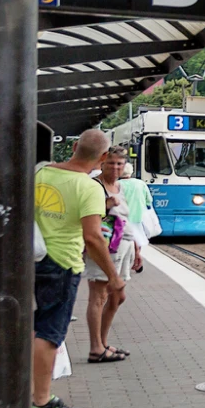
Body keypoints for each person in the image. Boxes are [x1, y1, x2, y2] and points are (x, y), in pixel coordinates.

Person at [34, 128, 117, 408]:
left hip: (34, 259)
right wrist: (114, 277)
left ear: (73, 147)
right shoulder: (89, 187)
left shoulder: (42, 173)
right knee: (49, 332)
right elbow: (93, 237)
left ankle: (27, 391)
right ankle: (41, 400)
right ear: (103, 157)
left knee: (35, 327)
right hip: (63, 263)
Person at [84, 147, 141, 363]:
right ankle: (95, 348)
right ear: (102, 162)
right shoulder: (95, 186)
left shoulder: (119, 186)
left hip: (123, 245)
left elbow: (127, 220)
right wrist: (106, 206)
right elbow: (89, 218)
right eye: (111, 163)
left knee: (118, 296)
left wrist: (136, 248)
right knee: (99, 296)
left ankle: (103, 342)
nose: (116, 167)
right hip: (104, 247)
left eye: (119, 164)